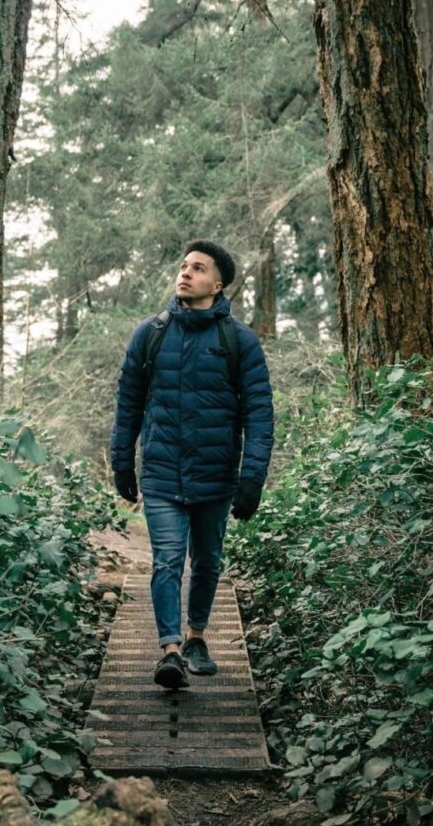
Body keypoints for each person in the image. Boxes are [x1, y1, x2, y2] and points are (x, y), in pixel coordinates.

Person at [110, 240, 274, 689]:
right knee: (166, 560)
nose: (185, 273)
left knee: (207, 562)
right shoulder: (150, 333)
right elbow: (129, 404)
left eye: (197, 268)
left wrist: (252, 478)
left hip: (216, 476)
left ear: (217, 285)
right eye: (183, 266)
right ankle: (170, 651)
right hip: (162, 473)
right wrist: (122, 462)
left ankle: (197, 635)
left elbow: (259, 414)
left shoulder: (238, 341)